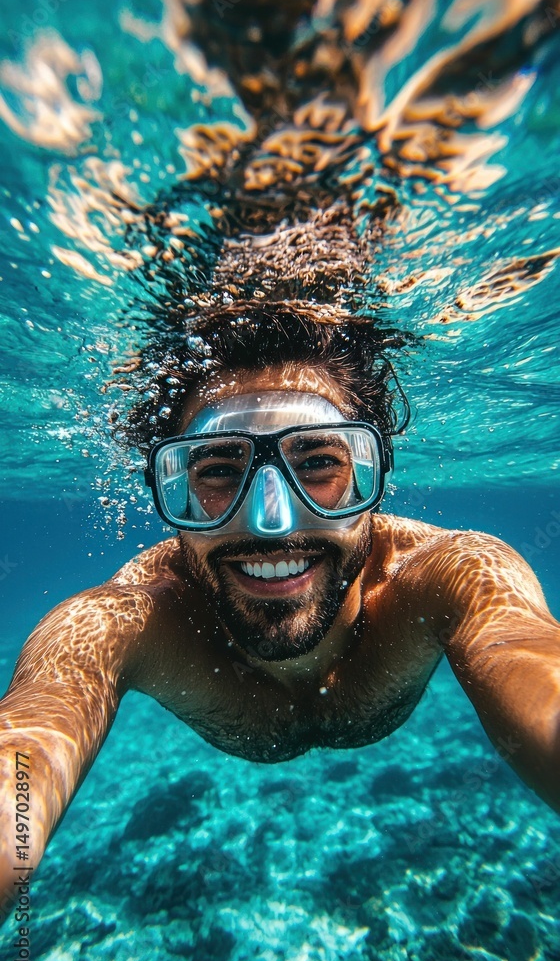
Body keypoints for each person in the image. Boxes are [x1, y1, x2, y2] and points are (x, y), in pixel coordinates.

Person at [0, 305, 559, 923]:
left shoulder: (450, 575)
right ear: (173, 492)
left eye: (318, 463)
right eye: (217, 470)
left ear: (373, 476)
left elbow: (521, 646)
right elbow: (24, 749)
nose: (273, 521)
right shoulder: (123, 622)